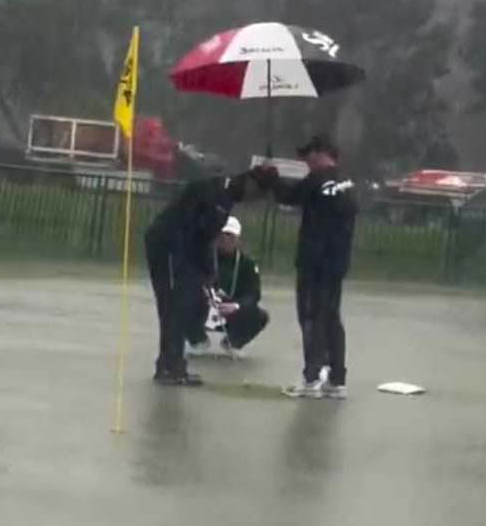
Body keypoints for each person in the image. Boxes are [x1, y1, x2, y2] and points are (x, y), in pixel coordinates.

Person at [254, 135, 358, 399]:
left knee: (311, 317)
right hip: (337, 263)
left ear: (322, 154)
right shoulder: (348, 182)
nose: (306, 163)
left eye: (309, 157)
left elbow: (289, 196)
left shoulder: (316, 180)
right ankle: (336, 379)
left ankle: (311, 378)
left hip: (314, 262)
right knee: (332, 317)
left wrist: (271, 179)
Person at [145, 168, 256, 386]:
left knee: (181, 305)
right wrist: (204, 270)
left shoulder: (223, 196)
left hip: (183, 249)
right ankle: (169, 367)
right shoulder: (215, 196)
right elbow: (199, 236)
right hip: (168, 246)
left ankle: (173, 365)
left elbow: (205, 238)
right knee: (172, 307)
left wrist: (206, 272)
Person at [188, 216, 269, 360]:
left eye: (230, 236)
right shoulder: (204, 257)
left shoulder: (247, 264)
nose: (225, 240)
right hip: (205, 307)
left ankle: (232, 343)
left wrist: (236, 306)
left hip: (230, 310)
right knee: (180, 304)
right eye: (222, 235)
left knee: (260, 316)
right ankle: (198, 341)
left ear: (238, 239)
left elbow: (254, 294)